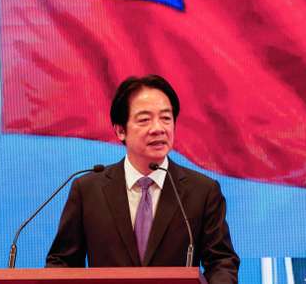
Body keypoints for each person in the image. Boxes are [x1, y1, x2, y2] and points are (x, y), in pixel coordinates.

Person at [46, 75, 240, 284]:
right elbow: (62, 263)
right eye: (145, 119)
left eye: (166, 118)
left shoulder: (202, 191)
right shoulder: (87, 190)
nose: (158, 128)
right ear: (120, 130)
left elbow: (221, 262)